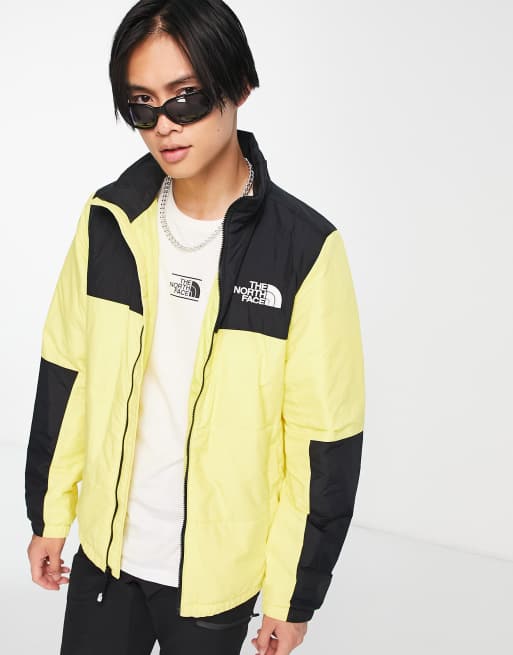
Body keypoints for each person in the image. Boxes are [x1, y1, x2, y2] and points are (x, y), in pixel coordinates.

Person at [24, 1, 365, 654]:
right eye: (142, 105)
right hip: (106, 557)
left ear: (240, 85)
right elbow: (67, 375)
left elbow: (323, 442)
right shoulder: (108, 222)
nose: (164, 125)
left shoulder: (305, 250)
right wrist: (50, 511)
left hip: (216, 580)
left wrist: (292, 595)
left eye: (186, 98)